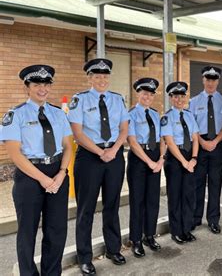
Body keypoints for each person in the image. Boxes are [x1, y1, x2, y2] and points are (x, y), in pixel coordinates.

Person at [0, 65, 72, 276]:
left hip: (57, 173)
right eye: (36, 84)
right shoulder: (16, 114)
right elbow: (15, 154)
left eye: (46, 84)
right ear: (27, 88)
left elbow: (67, 146)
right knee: (27, 232)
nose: (42, 89)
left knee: (56, 230)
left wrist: (61, 173)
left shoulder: (58, 113)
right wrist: (43, 179)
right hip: (30, 177)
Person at [68, 58, 129, 275]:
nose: (102, 80)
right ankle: (85, 257)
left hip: (114, 156)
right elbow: (78, 133)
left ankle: (113, 249)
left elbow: (124, 129)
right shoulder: (80, 100)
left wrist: (113, 150)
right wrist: (100, 152)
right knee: (86, 209)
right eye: (97, 76)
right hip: (89, 158)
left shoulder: (117, 99)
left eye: (105, 76)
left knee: (112, 205)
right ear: (90, 78)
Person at [127, 78, 166, 257]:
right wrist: (149, 162)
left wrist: (161, 160)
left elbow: (162, 139)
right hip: (139, 159)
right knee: (137, 201)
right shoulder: (131, 114)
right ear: (138, 94)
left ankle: (149, 235)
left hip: (155, 157)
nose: (148, 97)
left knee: (152, 199)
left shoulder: (155, 114)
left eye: (151, 94)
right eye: (145, 93)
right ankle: (136, 239)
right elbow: (133, 142)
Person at [189, 66, 222, 234]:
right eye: (208, 79)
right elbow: (192, 127)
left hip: (217, 144)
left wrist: (215, 141)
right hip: (199, 145)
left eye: (214, 80)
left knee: (215, 184)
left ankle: (213, 220)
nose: (211, 83)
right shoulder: (194, 102)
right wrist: (202, 142)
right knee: (197, 183)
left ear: (218, 81)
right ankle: (195, 218)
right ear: (203, 80)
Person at [160, 81, 200, 244]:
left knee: (189, 195)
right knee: (175, 196)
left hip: (190, 157)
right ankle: (176, 231)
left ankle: (187, 229)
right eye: (176, 96)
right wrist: (184, 162)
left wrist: (194, 159)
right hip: (175, 160)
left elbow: (195, 139)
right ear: (170, 98)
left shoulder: (190, 115)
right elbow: (169, 142)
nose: (179, 100)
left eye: (182, 96)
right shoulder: (166, 118)